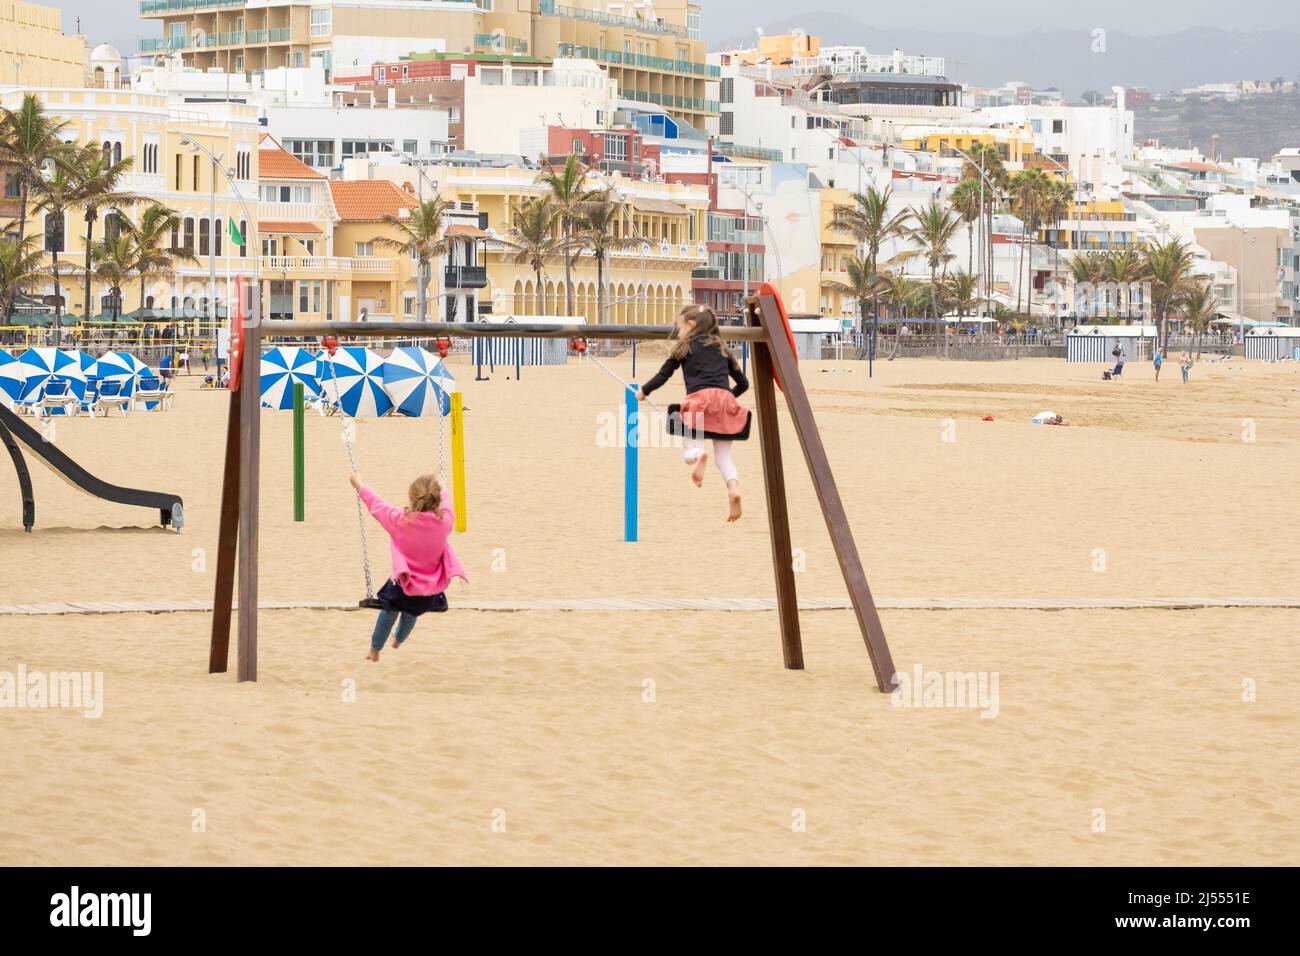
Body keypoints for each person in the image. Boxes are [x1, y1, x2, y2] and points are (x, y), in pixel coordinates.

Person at [637, 305, 750, 522]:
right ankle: (733, 488)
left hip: (698, 402)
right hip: (724, 402)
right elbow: (744, 383)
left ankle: (699, 455)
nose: (678, 331)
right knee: (724, 458)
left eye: (679, 327)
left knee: (689, 453)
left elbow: (664, 375)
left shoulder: (684, 346)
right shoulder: (722, 347)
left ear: (691, 325)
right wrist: (727, 399)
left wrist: (643, 391)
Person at [350, 472, 466, 662]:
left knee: (388, 613)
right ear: (436, 499)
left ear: (413, 498)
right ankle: (398, 640)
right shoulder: (444, 522)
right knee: (412, 613)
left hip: (401, 590)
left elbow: (377, 505)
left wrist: (359, 485)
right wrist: (444, 488)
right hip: (428, 595)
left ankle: (375, 649)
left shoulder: (400, 520)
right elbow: (449, 505)